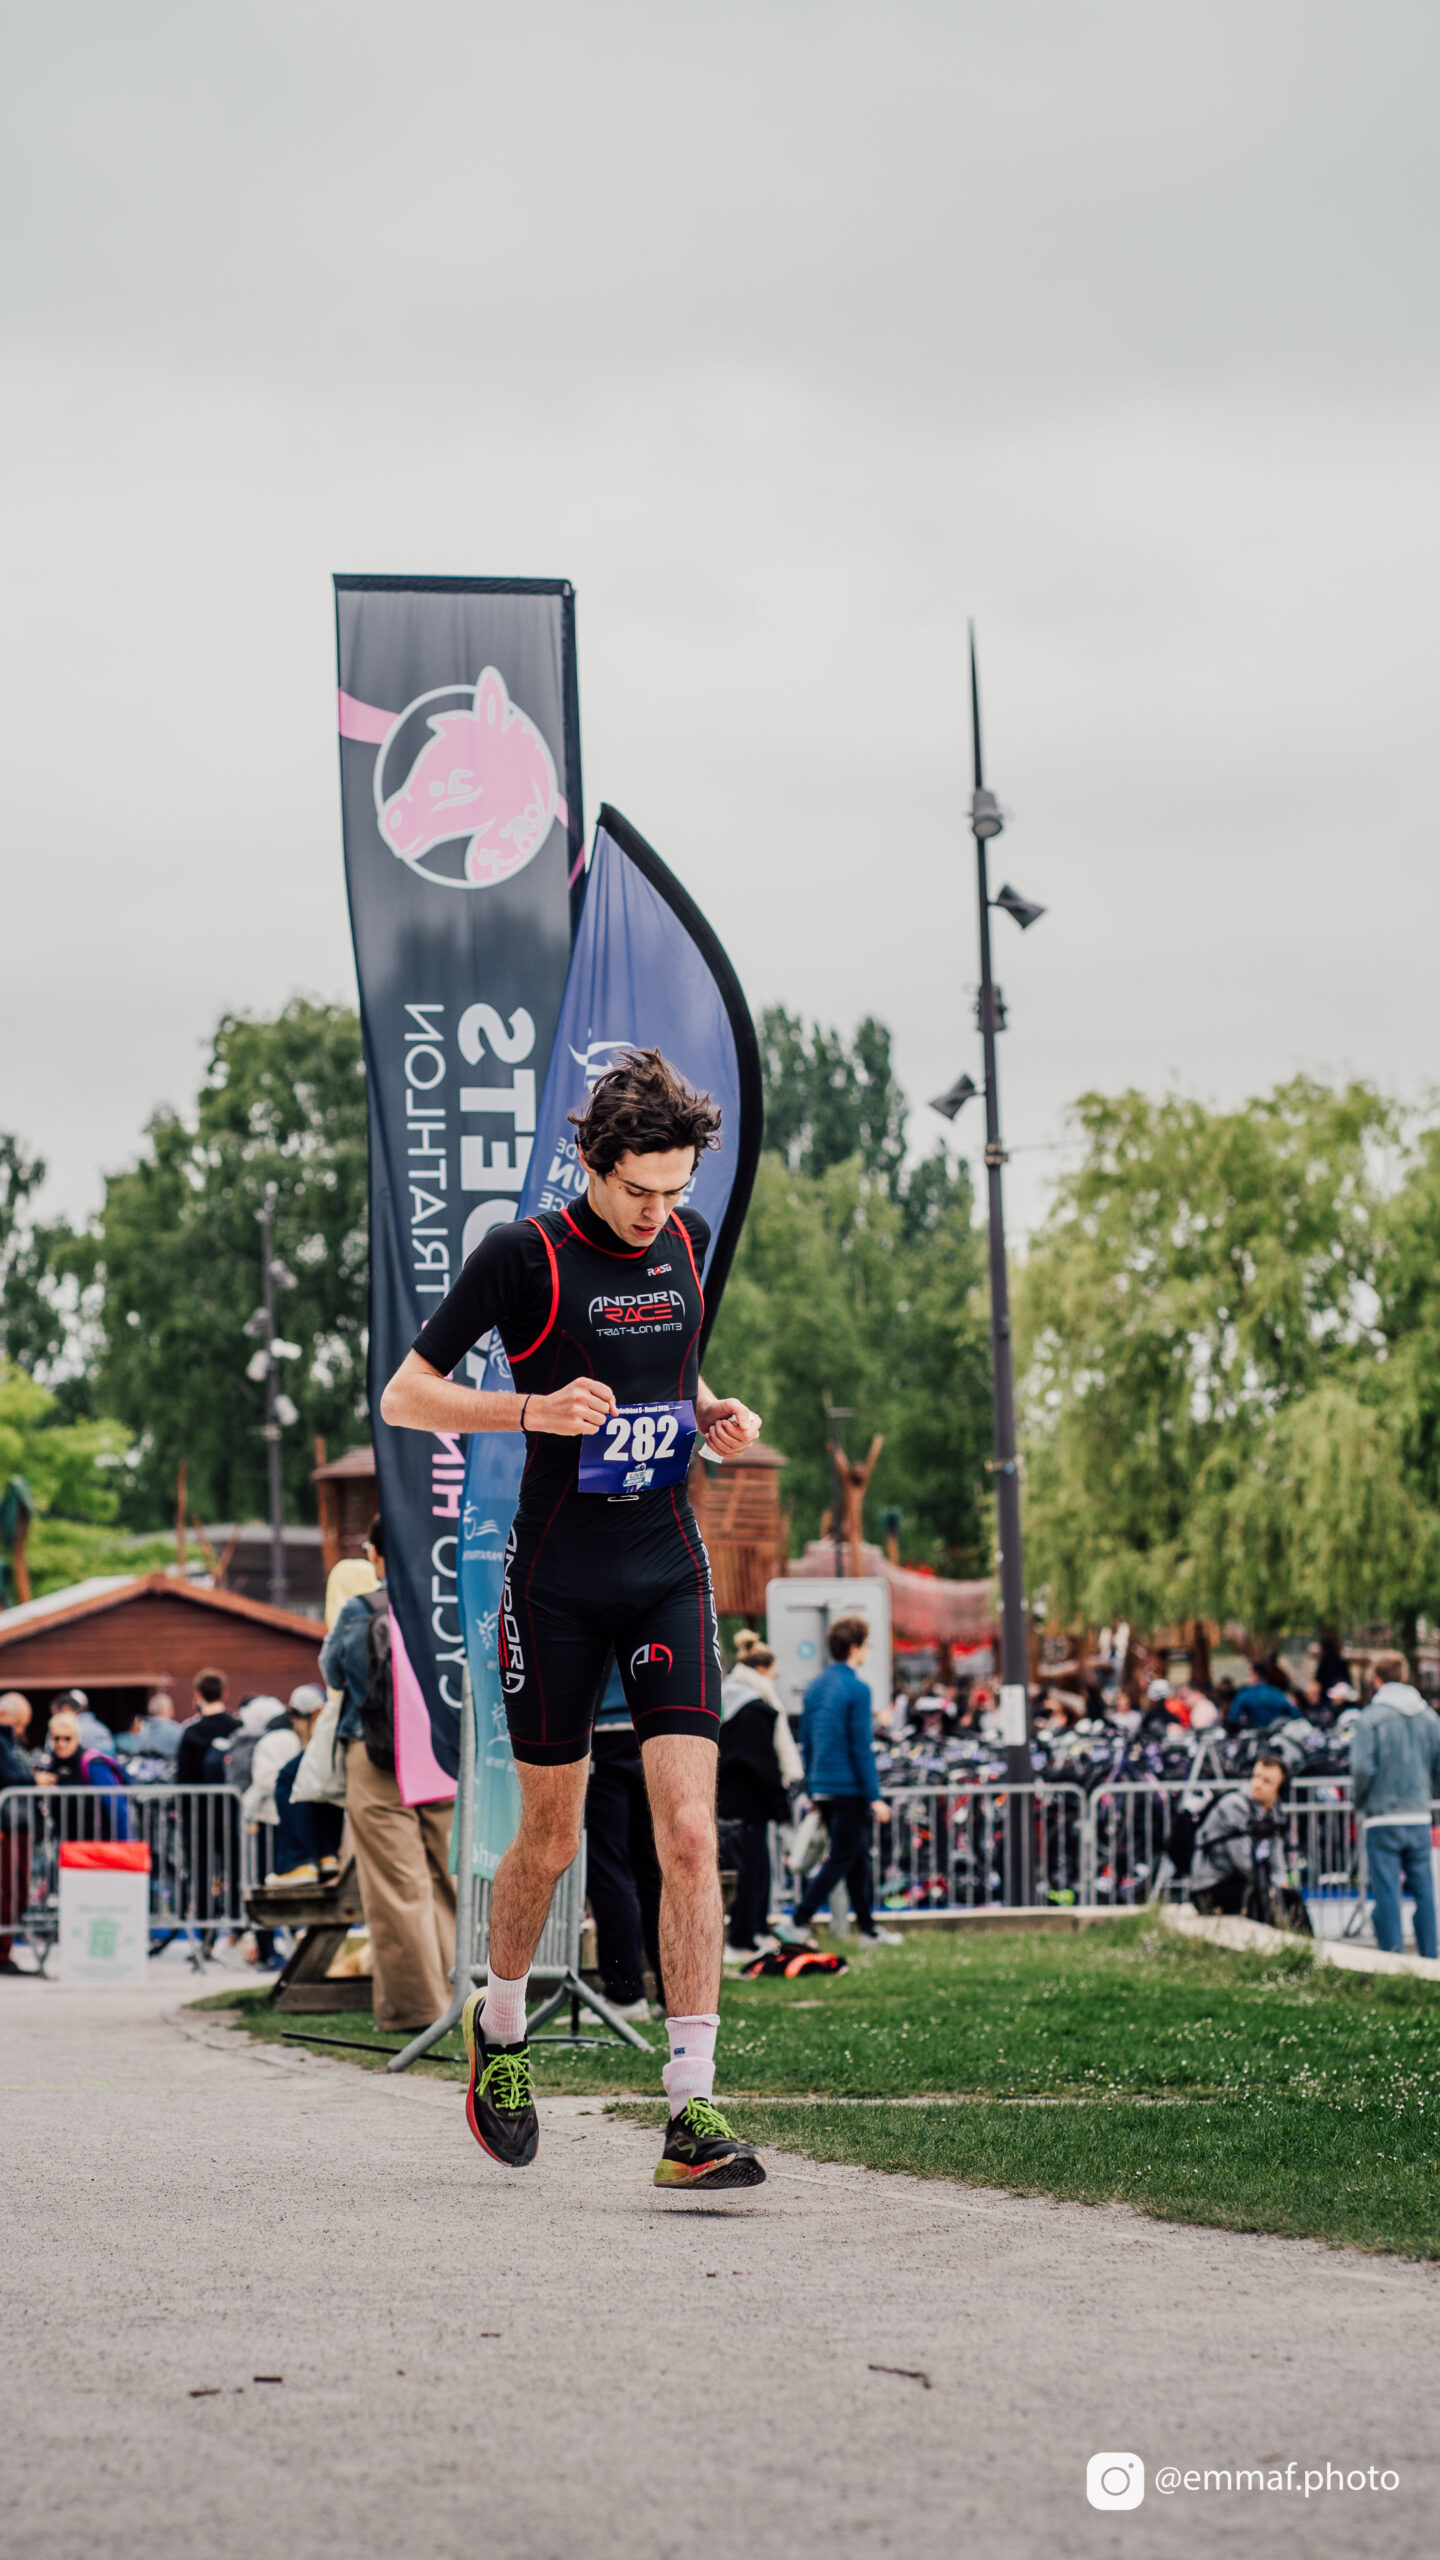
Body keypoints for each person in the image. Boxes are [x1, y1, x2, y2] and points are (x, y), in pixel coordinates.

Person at [381, 1046, 767, 2189]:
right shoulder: (525, 1255)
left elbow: (672, 1370)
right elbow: (406, 1394)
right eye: (639, 1189)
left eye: (675, 1189)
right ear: (594, 1164)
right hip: (555, 1579)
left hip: (666, 1565)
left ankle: (691, 2108)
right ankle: (500, 2034)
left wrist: (713, 1412)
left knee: (688, 1832)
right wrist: (529, 1410)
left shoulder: (688, 1239)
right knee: (553, 1840)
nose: (658, 1212)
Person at [320, 1516, 457, 2032]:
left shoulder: (360, 1609)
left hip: (375, 1752)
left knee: (399, 1885)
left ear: (376, 1555)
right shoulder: (446, 1606)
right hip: (441, 1751)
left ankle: (418, 2009)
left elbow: (334, 1672)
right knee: (449, 1876)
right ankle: (469, 1998)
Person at [776, 1616, 900, 1950]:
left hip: (823, 1785)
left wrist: (813, 1789)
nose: (868, 1651)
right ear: (855, 1648)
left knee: (856, 1859)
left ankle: (869, 1930)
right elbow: (860, 1746)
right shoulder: (858, 1689)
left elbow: (807, 1741)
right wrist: (874, 1796)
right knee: (843, 1857)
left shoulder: (816, 1687)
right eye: (867, 1644)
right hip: (848, 1788)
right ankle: (798, 1921)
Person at [584, 1655, 665, 2022]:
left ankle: (625, 1992)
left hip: (603, 1726)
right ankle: (672, 1995)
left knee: (609, 1867)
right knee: (653, 1869)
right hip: (652, 1725)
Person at [1348, 1651, 1440, 1960]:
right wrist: (1427, 1792)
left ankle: (1392, 1958)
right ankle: (1431, 1956)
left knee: (1387, 1891)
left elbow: (1361, 1769)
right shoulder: (1429, 1717)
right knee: (1424, 1890)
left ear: (1376, 1680)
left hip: (1382, 1816)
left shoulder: (1370, 1719)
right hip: (1418, 1814)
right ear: (1404, 1676)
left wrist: (1358, 1801)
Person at [719, 1642, 800, 1959]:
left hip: (730, 1800)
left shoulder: (726, 1699)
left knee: (746, 1872)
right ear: (763, 1670)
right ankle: (745, 1937)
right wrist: (780, 1803)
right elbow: (762, 1764)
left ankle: (749, 1934)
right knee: (753, 1873)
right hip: (751, 1804)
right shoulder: (756, 1708)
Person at [1188, 1754, 1288, 1917]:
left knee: (1290, 1899)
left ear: (1280, 1788)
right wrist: (1271, 1886)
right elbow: (1243, 1860)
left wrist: (1281, 1883)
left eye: (1267, 1781)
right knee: (1263, 1901)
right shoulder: (1234, 1805)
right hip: (1212, 1886)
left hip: (1241, 1881)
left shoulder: (1274, 1812)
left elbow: (1276, 1851)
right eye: (1256, 1777)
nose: (1257, 1784)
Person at [0, 1693, 34, 1969]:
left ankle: (4, 1951)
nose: (21, 1730)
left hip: (16, 1824)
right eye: (19, 1723)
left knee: (15, 1891)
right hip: (7, 1826)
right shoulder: (3, 1742)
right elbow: (8, 1777)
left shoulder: (9, 1742)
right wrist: (34, 1780)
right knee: (9, 1891)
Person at [175, 1670, 240, 1784]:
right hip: (232, 1793)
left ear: (198, 1694)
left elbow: (183, 1776)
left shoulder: (191, 1732)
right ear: (225, 1693)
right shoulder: (238, 1727)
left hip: (198, 1794)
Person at [1226, 1662, 1292, 1732]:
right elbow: (1295, 1714)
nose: (1247, 1678)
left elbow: (1233, 1718)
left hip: (1255, 1734)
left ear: (1255, 1675)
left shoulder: (1245, 1694)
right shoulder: (1277, 1693)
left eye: (1249, 1675)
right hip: (1276, 1733)